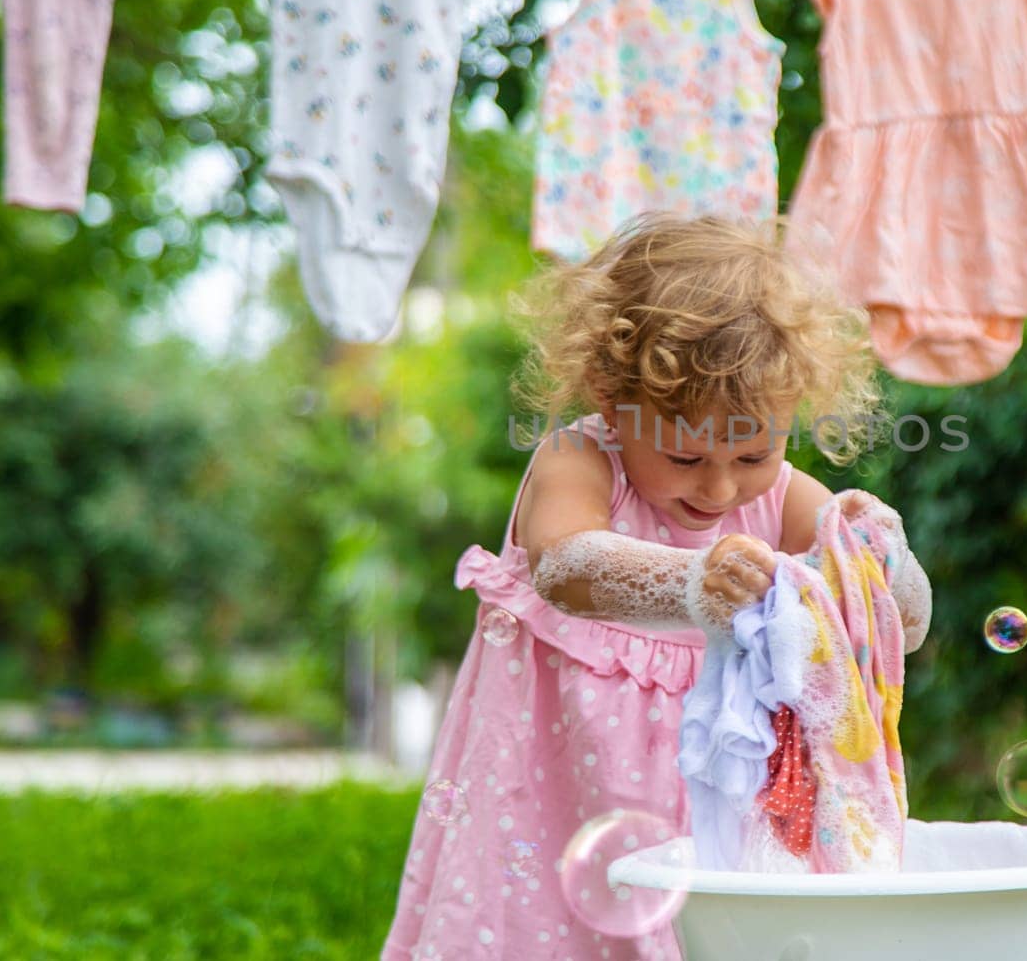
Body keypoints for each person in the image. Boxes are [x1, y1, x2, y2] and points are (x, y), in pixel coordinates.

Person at [380, 213, 932, 961]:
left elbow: (900, 621)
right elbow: (567, 568)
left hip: (710, 787)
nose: (720, 485)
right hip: (561, 780)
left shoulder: (779, 493)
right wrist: (693, 583)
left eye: (753, 454)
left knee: (701, 931)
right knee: (553, 926)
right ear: (612, 398)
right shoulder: (580, 458)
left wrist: (882, 560)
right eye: (684, 454)